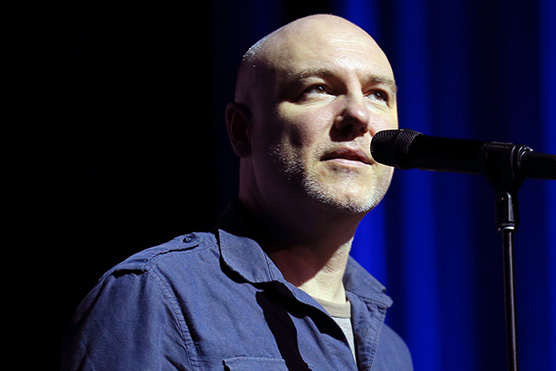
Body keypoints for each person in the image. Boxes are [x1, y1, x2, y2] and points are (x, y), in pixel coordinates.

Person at [60, 14, 412, 370]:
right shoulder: (157, 298)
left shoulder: (392, 352)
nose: (358, 113)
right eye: (317, 88)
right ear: (242, 130)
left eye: (377, 95)